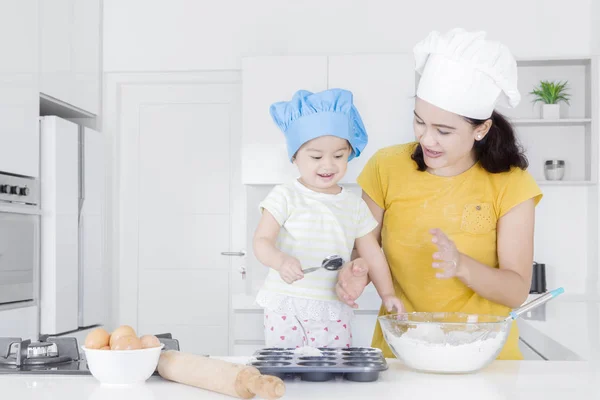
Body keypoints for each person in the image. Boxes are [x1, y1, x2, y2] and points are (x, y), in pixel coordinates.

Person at [335, 28, 543, 360]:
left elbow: (516, 291)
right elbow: (364, 247)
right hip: (402, 351)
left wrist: (462, 265)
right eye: (419, 123)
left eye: (444, 131)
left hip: (484, 356)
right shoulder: (386, 167)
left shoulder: (511, 183)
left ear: (481, 129)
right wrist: (354, 273)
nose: (427, 140)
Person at [253, 88, 404, 349]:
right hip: (286, 304)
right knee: (286, 374)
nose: (328, 165)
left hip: (333, 308)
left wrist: (387, 293)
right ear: (295, 156)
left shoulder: (354, 205)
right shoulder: (285, 195)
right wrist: (280, 260)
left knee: (332, 375)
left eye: (338, 156)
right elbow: (261, 241)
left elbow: (372, 255)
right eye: (315, 156)